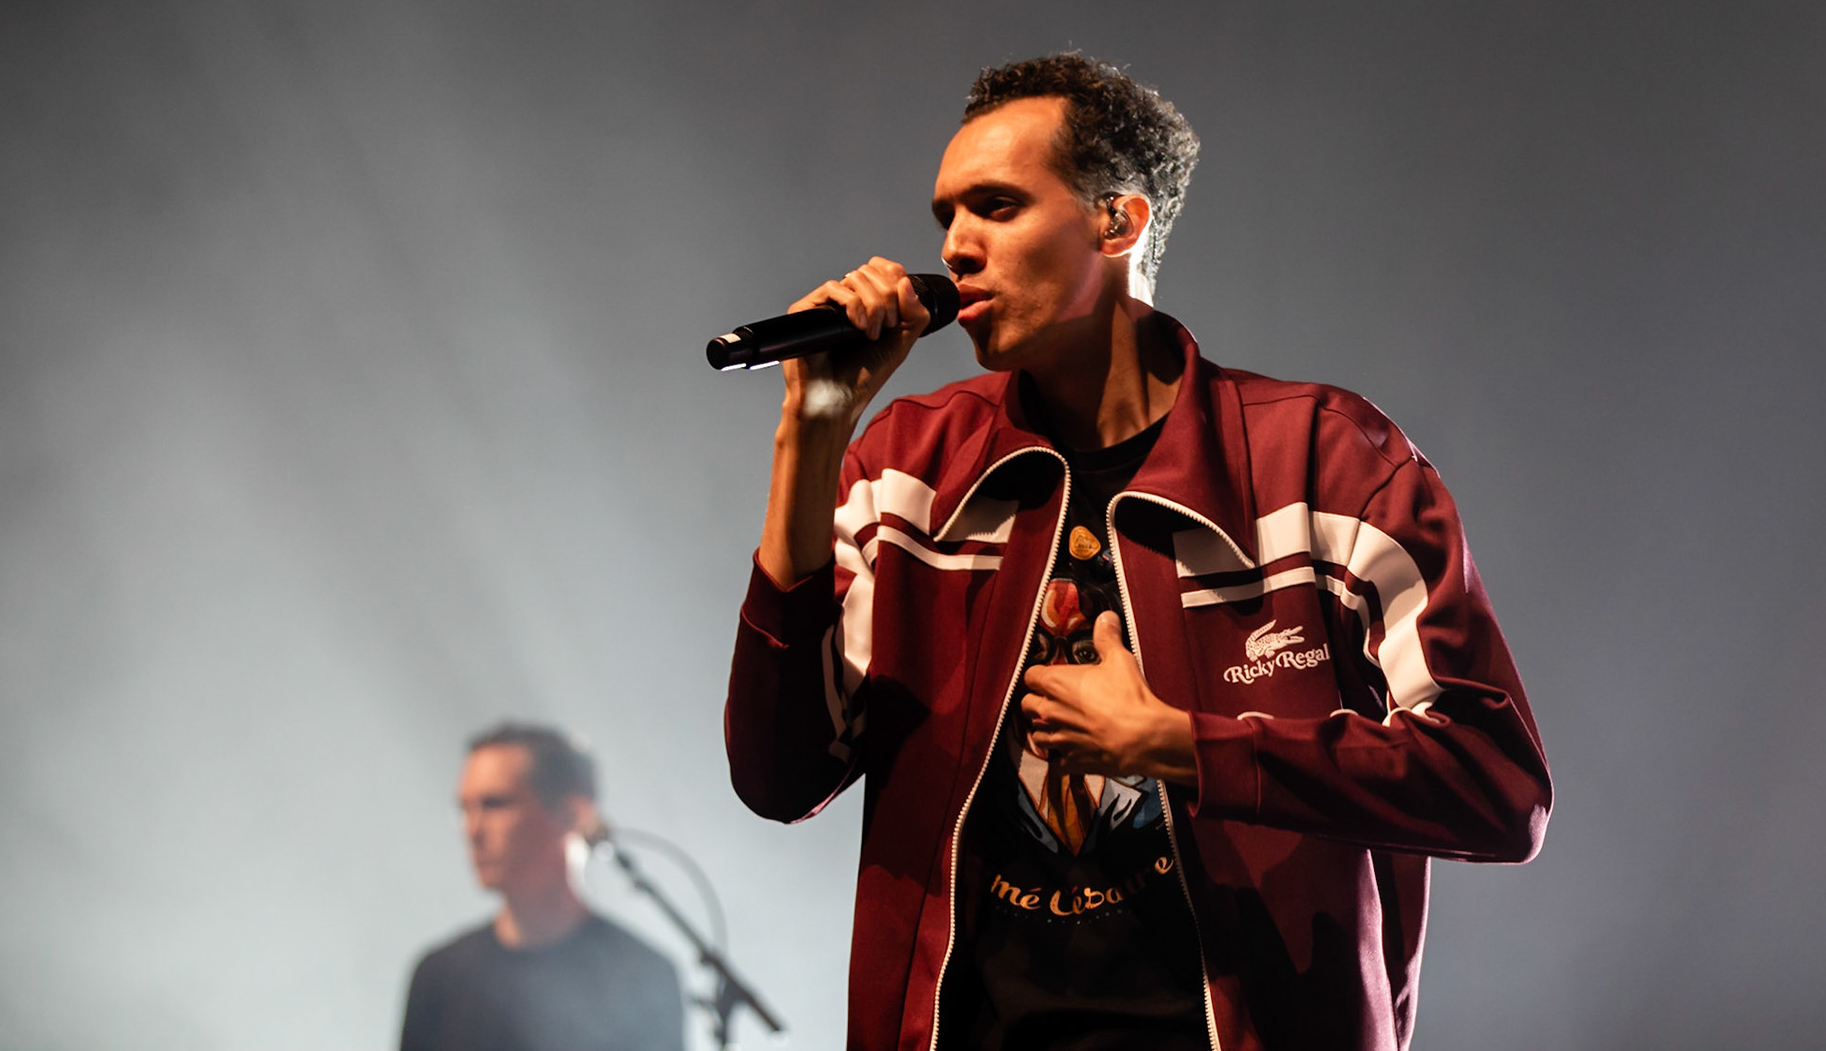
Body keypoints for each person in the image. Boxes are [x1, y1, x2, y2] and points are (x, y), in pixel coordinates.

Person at [724, 53, 1552, 1051]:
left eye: (995, 206)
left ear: (1117, 222)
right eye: (947, 216)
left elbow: (1497, 785)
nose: (955, 247)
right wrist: (811, 432)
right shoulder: (906, 465)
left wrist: (1184, 744)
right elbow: (778, 774)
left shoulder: (1325, 461)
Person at [400, 724, 687, 1051]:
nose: (472, 831)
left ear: (571, 813)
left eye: (495, 804)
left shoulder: (642, 975)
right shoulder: (439, 977)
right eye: (465, 809)